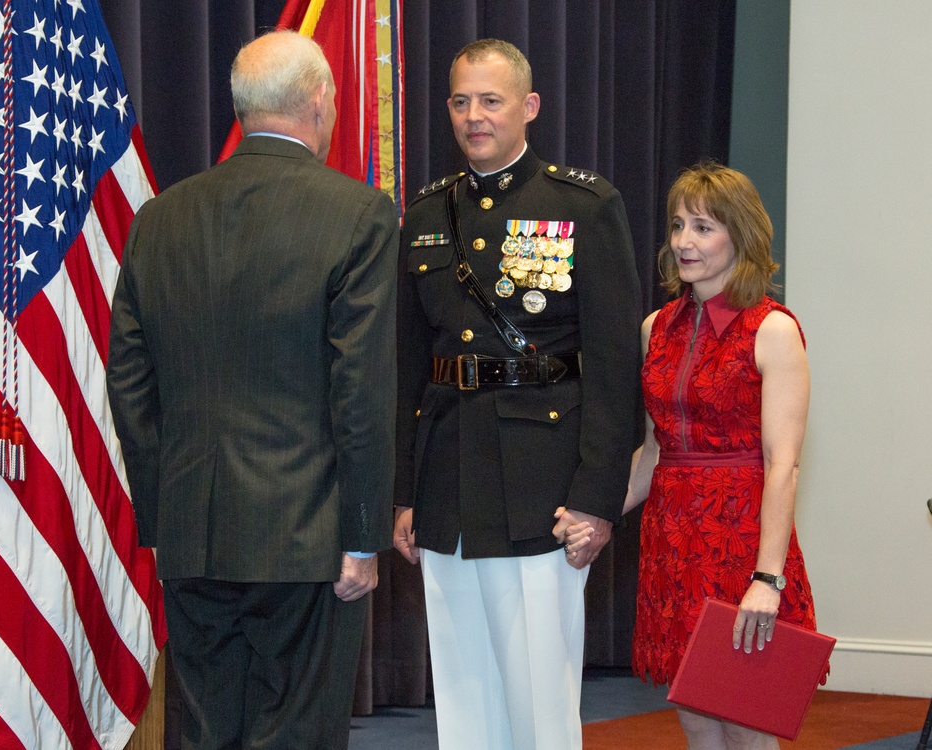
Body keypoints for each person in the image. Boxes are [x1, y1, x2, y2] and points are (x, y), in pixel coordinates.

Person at [106, 30, 399, 750]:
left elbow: (130, 387)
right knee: (295, 732)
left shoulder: (158, 218)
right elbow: (358, 392)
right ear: (322, 102)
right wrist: (363, 535)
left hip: (193, 532)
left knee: (202, 730)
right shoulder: (356, 214)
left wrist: (164, 513)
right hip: (309, 537)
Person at [393, 39, 641, 749]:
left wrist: (598, 500)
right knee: (464, 690)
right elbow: (408, 365)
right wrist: (402, 491)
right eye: (461, 101)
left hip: (544, 483)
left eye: (491, 100)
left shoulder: (582, 206)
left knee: (539, 691)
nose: (475, 116)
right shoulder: (426, 213)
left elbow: (615, 365)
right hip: (447, 478)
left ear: (528, 107)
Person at [620, 162, 819, 749]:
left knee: (747, 726)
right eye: (678, 225)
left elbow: (784, 464)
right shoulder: (656, 326)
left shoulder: (773, 329)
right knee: (698, 720)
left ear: (741, 235)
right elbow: (655, 452)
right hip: (671, 540)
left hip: (741, 544)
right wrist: (592, 516)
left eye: (703, 227)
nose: (684, 241)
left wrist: (767, 578)